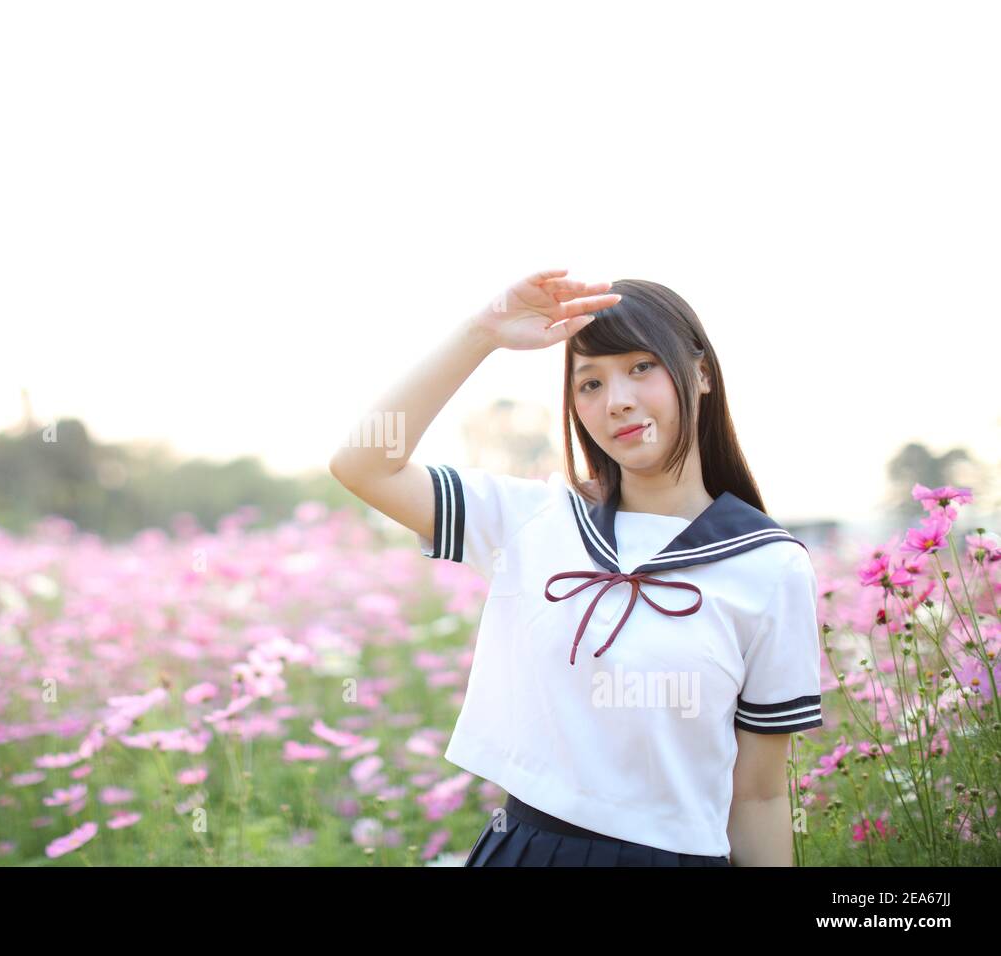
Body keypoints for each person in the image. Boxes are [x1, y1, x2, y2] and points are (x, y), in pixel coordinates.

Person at [328, 269, 824, 867]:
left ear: (701, 373)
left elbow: (761, 797)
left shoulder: (768, 566)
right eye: (589, 382)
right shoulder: (535, 519)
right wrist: (481, 333)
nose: (617, 401)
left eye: (642, 366)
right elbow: (364, 465)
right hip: (527, 851)